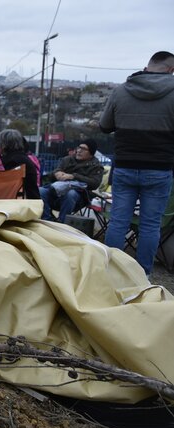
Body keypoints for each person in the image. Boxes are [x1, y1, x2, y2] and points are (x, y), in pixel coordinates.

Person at [99, 51, 174, 275]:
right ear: (170, 70)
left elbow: (104, 126)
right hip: (159, 168)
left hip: (124, 166)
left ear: (147, 66)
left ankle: (111, 273)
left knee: (118, 222)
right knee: (150, 225)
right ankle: (142, 276)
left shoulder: (121, 90)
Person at [38, 139, 104, 223]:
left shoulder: (96, 166)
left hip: (79, 196)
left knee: (70, 194)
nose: (79, 151)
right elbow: (54, 172)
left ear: (91, 153)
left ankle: (62, 223)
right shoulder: (67, 159)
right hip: (56, 191)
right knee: (40, 191)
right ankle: (47, 220)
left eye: (83, 149)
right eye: (79, 147)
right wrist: (57, 173)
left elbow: (95, 183)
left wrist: (73, 176)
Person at [0, 129, 40, 199]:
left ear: (3, 145)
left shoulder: (8, 162)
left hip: (17, 203)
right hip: (31, 201)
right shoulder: (25, 159)